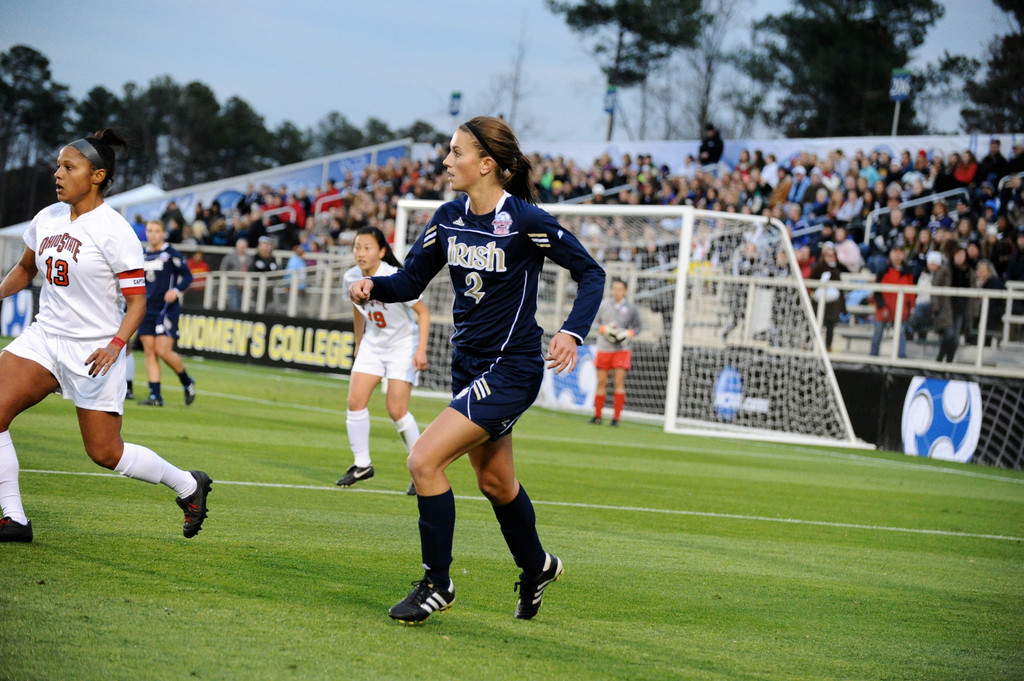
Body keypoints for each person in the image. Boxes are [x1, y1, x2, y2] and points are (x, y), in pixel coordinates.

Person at [349, 116, 604, 624]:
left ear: (487, 164)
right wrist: (373, 286)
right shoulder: (446, 218)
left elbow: (590, 272)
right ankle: (538, 566)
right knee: (496, 482)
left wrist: (571, 331)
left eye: (456, 152)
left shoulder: (528, 220)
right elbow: (411, 282)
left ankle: (436, 583)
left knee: (423, 461)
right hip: (466, 366)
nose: (447, 160)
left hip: (512, 368)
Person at [0, 129, 210, 543]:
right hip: (45, 338)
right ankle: (14, 518)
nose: (57, 174)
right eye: (58, 166)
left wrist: (116, 347)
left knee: (105, 453)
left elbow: (137, 305)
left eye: (68, 167)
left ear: (97, 176)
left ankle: (189, 485)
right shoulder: (47, 218)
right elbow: (26, 270)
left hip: (93, 349)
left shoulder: (114, 231)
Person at [337, 226, 430, 497]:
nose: (361, 253)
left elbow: (423, 314)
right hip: (373, 344)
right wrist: (359, 342)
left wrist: (421, 349)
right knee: (355, 402)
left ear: (381, 251)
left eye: (367, 247)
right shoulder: (351, 277)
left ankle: (422, 468)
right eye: (357, 247)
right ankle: (362, 465)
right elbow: (356, 310)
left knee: (396, 409)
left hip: (403, 345)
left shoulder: (394, 276)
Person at [137, 219, 196, 407]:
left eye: (156, 231)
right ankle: (155, 396)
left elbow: (188, 276)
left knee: (162, 350)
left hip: (166, 308)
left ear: (163, 233)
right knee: (149, 351)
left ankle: (187, 381)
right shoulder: (143, 255)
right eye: (149, 230)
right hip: (147, 308)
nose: (152, 234)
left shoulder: (171, 254)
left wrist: (177, 290)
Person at [589, 278, 641, 426]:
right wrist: (603, 329)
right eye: (615, 289)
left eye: (620, 289)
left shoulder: (631, 308)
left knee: (619, 381)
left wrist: (629, 333)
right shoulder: (604, 304)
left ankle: (616, 418)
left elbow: (638, 327)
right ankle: (597, 415)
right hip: (604, 348)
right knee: (601, 381)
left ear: (625, 291)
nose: (617, 292)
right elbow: (594, 322)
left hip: (621, 350)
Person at [933, 245, 976, 362]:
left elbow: (973, 293)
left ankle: (949, 360)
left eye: (962, 255)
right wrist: (936, 305)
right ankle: (941, 356)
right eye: (958, 255)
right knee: (949, 334)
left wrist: (972, 311)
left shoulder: (970, 272)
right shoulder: (945, 270)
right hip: (946, 307)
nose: (960, 258)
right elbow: (935, 286)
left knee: (955, 337)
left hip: (961, 309)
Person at [870, 246, 915, 358]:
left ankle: (901, 357)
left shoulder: (908, 272)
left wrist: (912, 306)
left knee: (901, 335)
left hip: (901, 309)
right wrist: (882, 307)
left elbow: (911, 292)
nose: (897, 255)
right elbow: (877, 292)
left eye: (900, 253)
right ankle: (873, 357)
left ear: (904, 255)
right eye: (895, 252)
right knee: (877, 334)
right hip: (884, 309)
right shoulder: (883, 270)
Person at [808, 242, 848, 351]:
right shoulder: (818, 268)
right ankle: (809, 344)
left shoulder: (837, 270)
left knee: (830, 326)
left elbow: (840, 289)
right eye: (828, 255)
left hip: (832, 306)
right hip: (819, 303)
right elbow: (810, 283)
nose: (831, 258)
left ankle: (828, 346)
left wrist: (843, 308)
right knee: (815, 325)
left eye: (833, 255)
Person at [219, 237, 252, 310]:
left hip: (246, 284)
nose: (241, 249)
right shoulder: (230, 257)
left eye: (243, 247)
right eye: (240, 247)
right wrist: (229, 274)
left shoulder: (249, 258)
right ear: (237, 247)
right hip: (233, 283)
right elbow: (223, 268)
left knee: (244, 303)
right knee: (233, 303)